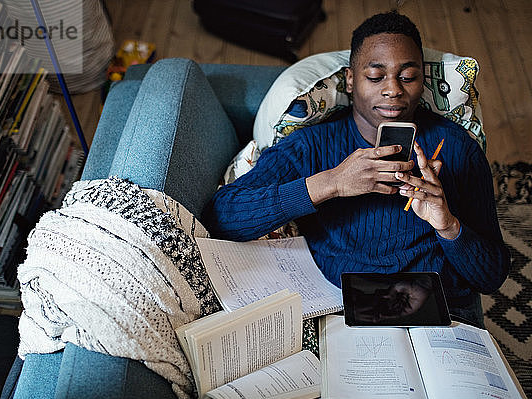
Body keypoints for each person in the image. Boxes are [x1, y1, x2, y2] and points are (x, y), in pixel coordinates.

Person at [202, 11, 510, 329]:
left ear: (423, 81)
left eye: (408, 77)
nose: (393, 90)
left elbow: (491, 277)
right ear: (350, 80)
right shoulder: (311, 145)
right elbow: (222, 216)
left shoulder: (458, 149)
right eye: (376, 77)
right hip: (339, 311)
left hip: (443, 312)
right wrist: (332, 182)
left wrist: (449, 226)